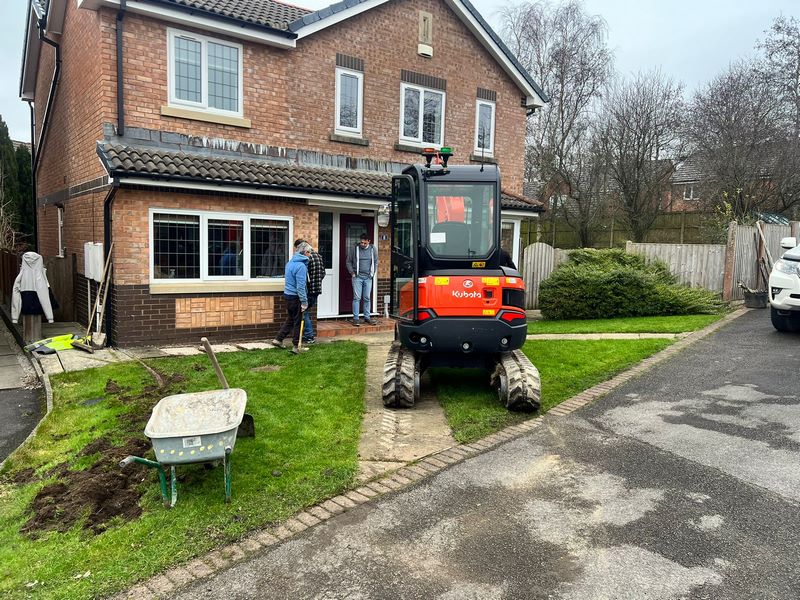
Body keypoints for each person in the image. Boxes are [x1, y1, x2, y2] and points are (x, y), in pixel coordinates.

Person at [270, 241, 312, 354]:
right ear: (305, 252)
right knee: (298, 322)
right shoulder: (301, 266)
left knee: (290, 319)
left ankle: (278, 339)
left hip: (287, 296)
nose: (310, 255)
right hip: (296, 297)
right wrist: (304, 302)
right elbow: (301, 286)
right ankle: (296, 346)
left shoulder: (289, 263)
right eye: (310, 252)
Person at [293, 238, 325, 344]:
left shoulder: (306, 258)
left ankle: (309, 336)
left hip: (308, 289)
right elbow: (323, 273)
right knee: (306, 312)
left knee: (305, 312)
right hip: (317, 289)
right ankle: (308, 335)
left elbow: (303, 275)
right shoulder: (318, 256)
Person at [346, 233, 378, 326]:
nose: (362, 244)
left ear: (369, 241)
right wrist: (352, 272)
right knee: (357, 298)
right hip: (357, 277)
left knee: (367, 298)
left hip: (368, 277)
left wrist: (372, 273)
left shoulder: (373, 249)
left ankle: (367, 317)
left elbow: (375, 261)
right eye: (361, 242)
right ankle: (356, 318)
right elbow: (348, 261)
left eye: (364, 243)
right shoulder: (354, 249)